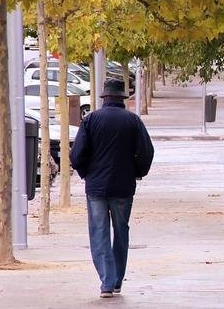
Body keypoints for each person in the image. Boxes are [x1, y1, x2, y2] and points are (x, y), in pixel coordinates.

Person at [70, 79, 154, 298]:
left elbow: (77, 154)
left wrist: (86, 172)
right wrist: (138, 172)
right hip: (124, 186)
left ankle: (107, 282)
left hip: (96, 186)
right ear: (122, 99)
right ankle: (117, 280)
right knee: (121, 231)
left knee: (99, 232)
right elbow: (146, 152)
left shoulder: (91, 120)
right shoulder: (133, 121)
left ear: (104, 98)